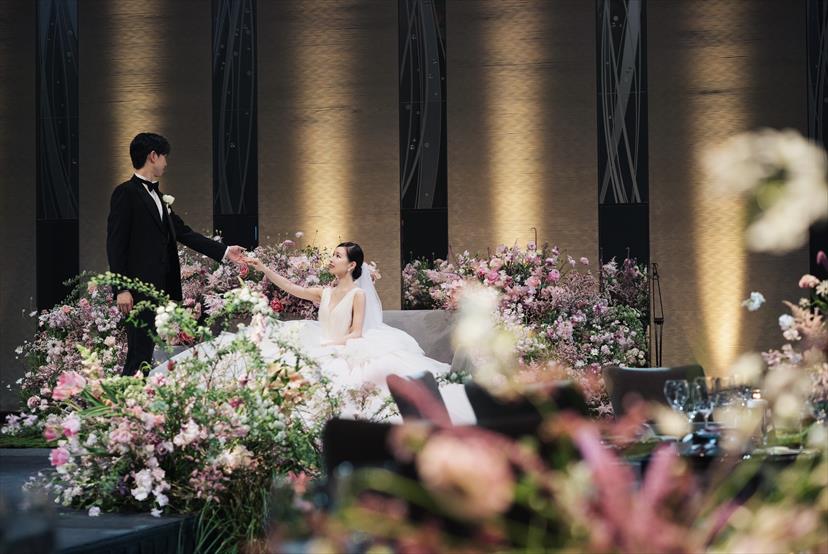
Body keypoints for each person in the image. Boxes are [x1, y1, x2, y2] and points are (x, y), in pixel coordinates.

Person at [106, 132, 245, 375]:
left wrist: (224, 251)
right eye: (164, 156)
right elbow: (115, 244)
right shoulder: (125, 193)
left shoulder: (159, 197)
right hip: (137, 291)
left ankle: (136, 397)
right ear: (153, 156)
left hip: (156, 288)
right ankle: (124, 399)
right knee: (138, 354)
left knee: (144, 354)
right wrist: (121, 289)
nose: (166, 163)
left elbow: (183, 232)